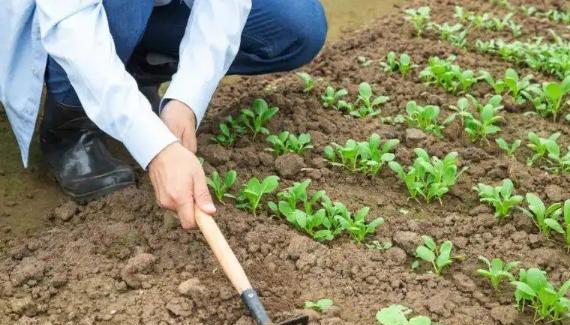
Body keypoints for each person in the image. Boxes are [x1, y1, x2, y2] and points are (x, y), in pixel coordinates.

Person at [0, 0, 327, 229]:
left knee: (297, 23)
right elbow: (72, 28)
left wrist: (186, 97)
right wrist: (155, 148)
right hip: (69, 18)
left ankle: (137, 72)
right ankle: (70, 130)